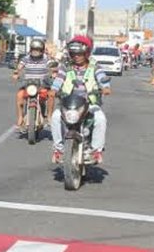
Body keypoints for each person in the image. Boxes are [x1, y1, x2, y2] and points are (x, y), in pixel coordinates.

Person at [49, 36, 110, 165]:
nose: (76, 57)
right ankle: (58, 150)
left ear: (86, 53)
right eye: (73, 54)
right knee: (55, 117)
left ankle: (96, 151)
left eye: (79, 54)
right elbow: (59, 79)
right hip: (68, 104)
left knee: (100, 118)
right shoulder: (66, 67)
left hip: (89, 104)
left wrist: (105, 87)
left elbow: (101, 76)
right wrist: (54, 90)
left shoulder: (94, 66)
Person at [11, 38, 52, 131]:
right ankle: (20, 117)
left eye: (37, 50)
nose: (35, 52)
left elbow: (51, 66)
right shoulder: (26, 58)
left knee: (51, 95)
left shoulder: (46, 58)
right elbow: (20, 66)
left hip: (42, 86)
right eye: (33, 49)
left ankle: (49, 117)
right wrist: (16, 72)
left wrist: (54, 71)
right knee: (19, 95)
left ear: (42, 50)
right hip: (28, 85)